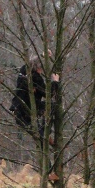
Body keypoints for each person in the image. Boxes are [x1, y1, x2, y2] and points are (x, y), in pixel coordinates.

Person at [9, 53, 60, 181]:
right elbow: (49, 94)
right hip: (27, 112)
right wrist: (55, 82)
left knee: (41, 139)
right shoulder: (36, 78)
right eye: (41, 68)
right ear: (38, 68)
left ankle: (45, 134)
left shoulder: (23, 70)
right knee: (52, 107)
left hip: (18, 112)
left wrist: (44, 54)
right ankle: (48, 171)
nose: (42, 71)